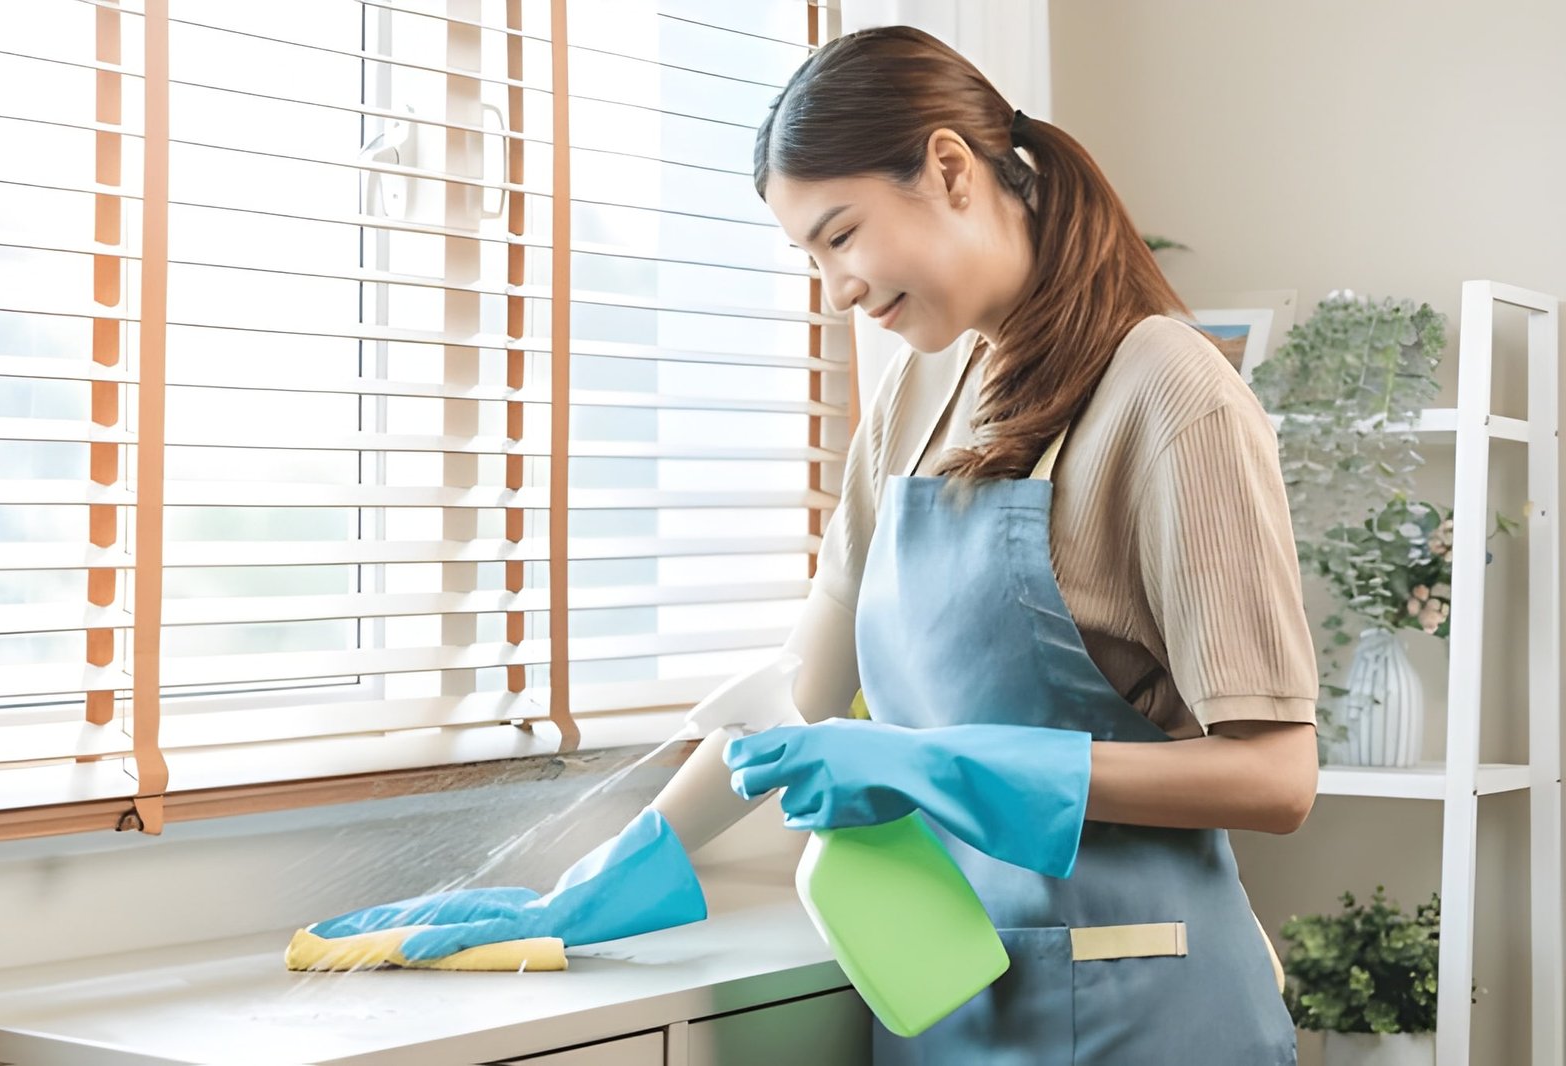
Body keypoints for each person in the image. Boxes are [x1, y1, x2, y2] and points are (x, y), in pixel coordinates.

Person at [303, 25, 1317, 1065]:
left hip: (1140, 1014)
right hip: (946, 1006)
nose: (833, 287)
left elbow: (1275, 776)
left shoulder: (1170, 390)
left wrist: (940, 765)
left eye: (840, 235)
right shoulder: (917, 393)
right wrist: (612, 870)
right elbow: (800, 686)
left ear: (949, 169)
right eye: (807, 255)